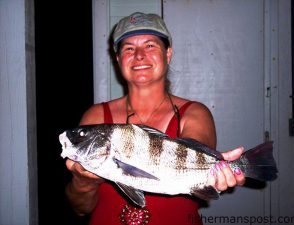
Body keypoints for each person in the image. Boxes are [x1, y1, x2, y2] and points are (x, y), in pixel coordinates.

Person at [65, 12, 245, 225]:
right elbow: (81, 208)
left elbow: (196, 154)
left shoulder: (194, 112)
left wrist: (218, 168)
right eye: (129, 48)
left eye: (150, 45)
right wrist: (83, 181)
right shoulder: (95, 117)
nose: (139, 55)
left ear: (168, 53)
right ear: (118, 58)